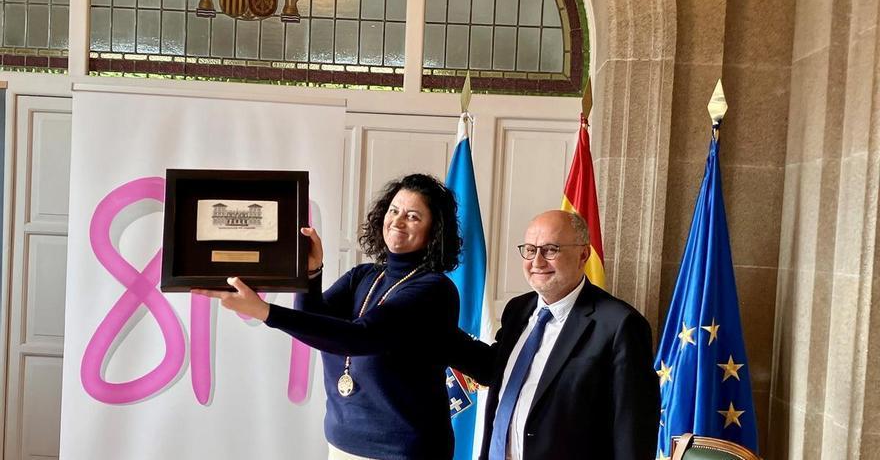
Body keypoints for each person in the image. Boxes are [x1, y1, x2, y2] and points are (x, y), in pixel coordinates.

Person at [194, 173, 462, 460]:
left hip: (405, 452)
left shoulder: (433, 290)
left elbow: (361, 337)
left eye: (413, 216)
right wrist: (311, 272)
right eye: (394, 210)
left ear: (434, 231)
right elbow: (311, 321)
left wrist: (264, 311)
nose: (397, 221)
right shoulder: (363, 276)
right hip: (341, 445)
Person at [449, 210, 659, 460]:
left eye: (550, 250)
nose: (537, 261)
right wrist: (434, 331)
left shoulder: (620, 325)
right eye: (530, 249)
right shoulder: (518, 309)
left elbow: (633, 434)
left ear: (583, 255)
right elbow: (494, 370)